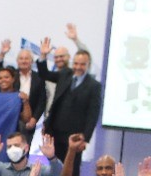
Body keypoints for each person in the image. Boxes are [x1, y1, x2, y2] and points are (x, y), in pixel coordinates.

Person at [37, 38, 103, 168]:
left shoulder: (94, 86)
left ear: (88, 65)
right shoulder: (65, 74)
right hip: (54, 132)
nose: (78, 67)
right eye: (76, 63)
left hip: (75, 137)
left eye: (82, 64)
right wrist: (43, 55)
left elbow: (93, 114)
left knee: (71, 170)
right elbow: (45, 74)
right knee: (54, 169)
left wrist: (85, 138)